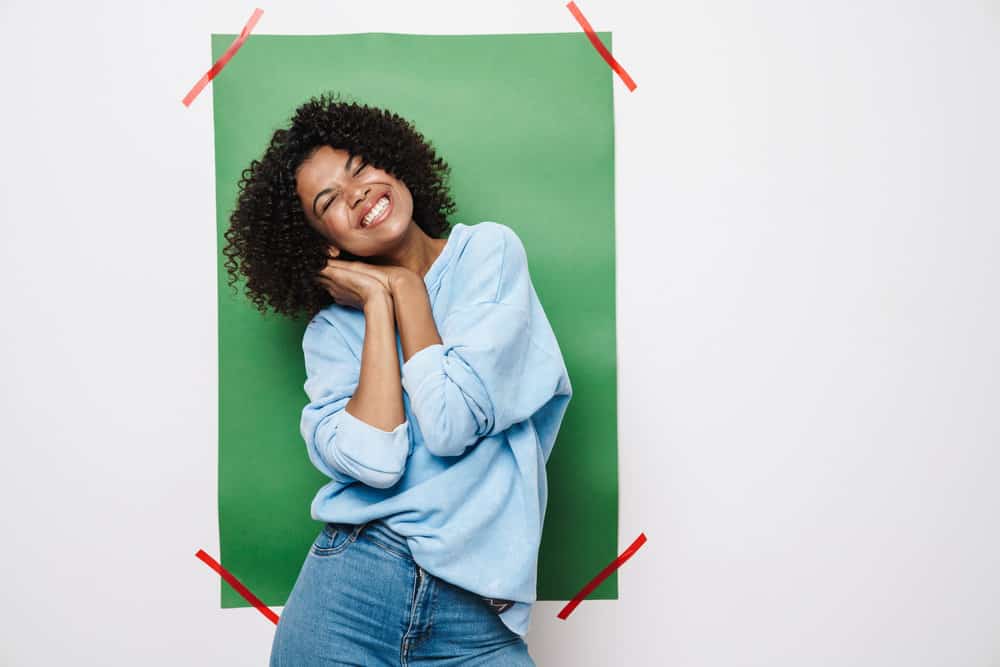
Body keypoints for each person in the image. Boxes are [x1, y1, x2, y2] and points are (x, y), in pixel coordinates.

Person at [223, 91, 573, 665]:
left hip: (478, 615)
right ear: (327, 242)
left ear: (393, 163)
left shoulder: (487, 254)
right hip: (352, 593)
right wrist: (376, 301)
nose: (357, 192)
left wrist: (405, 287)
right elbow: (377, 461)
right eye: (329, 200)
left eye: (361, 168)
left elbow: (450, 422)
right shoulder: (332, 333)